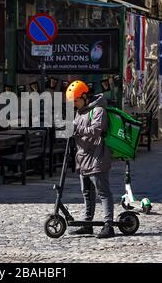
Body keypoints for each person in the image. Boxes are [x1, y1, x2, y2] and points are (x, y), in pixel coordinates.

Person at [66, 80, 114, 238]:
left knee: (103, 193)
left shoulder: (99, 110)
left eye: (76, 101)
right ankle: (88, 224)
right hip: (82, 158)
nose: (75, 104)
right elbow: (78, 131)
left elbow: (95, 130)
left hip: (97, 158)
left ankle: (108, 226)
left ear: (85, 96)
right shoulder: (79, 112)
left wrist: (76, 128)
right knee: (87, 193)